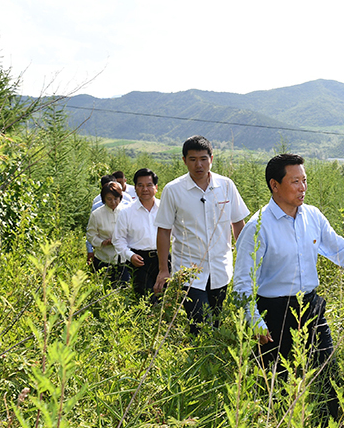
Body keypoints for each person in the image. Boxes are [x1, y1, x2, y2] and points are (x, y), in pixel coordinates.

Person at [233, 153, 344, 428]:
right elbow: (242, 284)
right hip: (273, 314)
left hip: (310, 307)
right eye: (295, 181)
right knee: (277, 383)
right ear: (274, 185)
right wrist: (254, 320)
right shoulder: (257, 227)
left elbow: (340, 250)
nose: (302, 188)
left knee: (327, 373)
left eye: (304, 181)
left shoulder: (313, 216)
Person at [154, 135, 249, 334]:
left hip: (221, 268)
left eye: (203, 159)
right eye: (193, 159)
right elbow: (164, 230)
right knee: (200, 324)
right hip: (188, 271)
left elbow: (238, 223)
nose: (199, 165)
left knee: (216, 322)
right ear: (184, 160)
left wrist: (246, 261)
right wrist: (163, 269)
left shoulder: (226, 185)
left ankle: (210, 351)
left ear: (211, 159)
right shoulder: (173, 190)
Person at [113, 168, 167, 297]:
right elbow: (118, 239)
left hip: (164, 259)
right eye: (140, 185)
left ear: (156, 188)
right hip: (139, 260)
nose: (145, 189)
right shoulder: (126, 211)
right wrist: (130, 255)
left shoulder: (164, 208)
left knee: (165, 298)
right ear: (135, 188)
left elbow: (176, 235)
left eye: (149, 185)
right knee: (144, 299)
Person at [86, 181, 129, 284]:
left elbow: (134, 231)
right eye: (109, 199)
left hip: (124, 258)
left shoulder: (127, 211)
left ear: (120, 198)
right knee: (104, 286)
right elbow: (90, 235)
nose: (113, 202)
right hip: (103, 258)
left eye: (116, 199)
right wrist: (102, 242)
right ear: (104, 199)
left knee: (124, 286)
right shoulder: (96, 214)